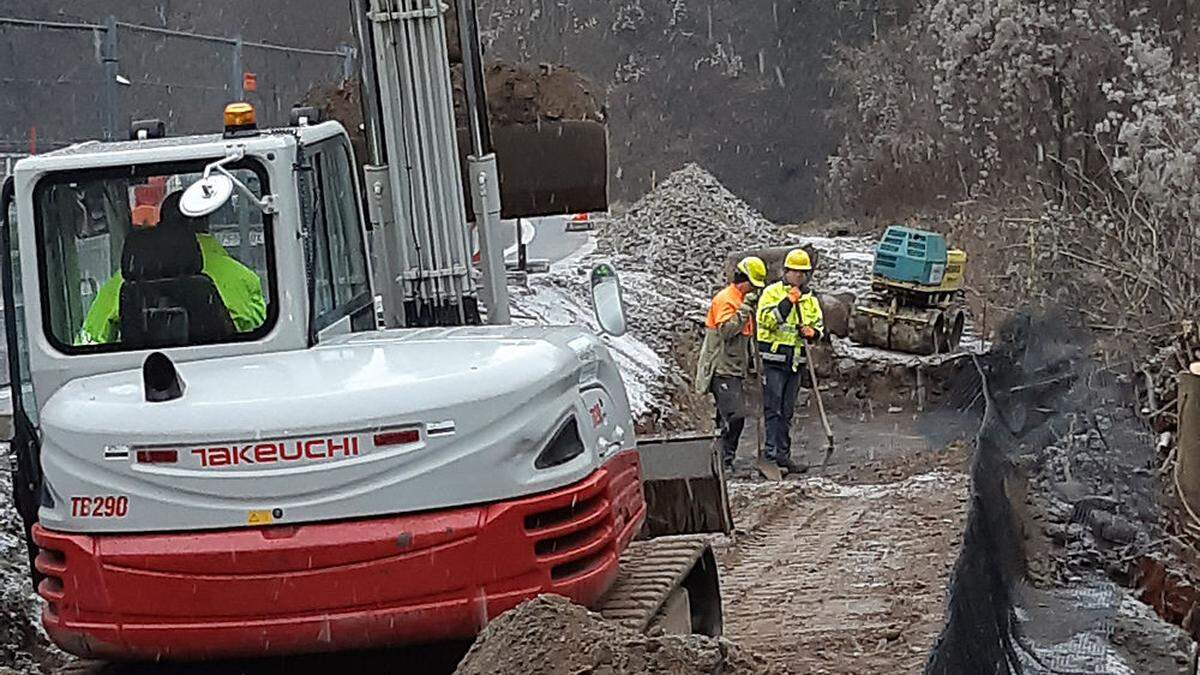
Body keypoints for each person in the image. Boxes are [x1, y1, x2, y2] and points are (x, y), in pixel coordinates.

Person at [78, 191, 266, 345]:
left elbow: (88, 344)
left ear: (162, 227)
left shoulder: (122, 284)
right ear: (205, 223)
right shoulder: (243, 278)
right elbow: (261, 344)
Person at [695, 256, 767, 472]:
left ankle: (720, 460)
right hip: (721, 369)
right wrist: (745, 309)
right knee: (735, 416)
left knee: (725, 417)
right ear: (743, 281)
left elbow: (746, 338)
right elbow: (727, 331)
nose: (755, 291)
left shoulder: (743, 302)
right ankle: (724, 460)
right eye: (753, 286)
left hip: (736, 370)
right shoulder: (726, 299)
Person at [756, 248, 824, 474]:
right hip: (774, 361)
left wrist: (812, 332)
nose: (800, 276)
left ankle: (784, 455)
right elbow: (766, 321)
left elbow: (819, 327)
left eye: (803, 272)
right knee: (772, 409)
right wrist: (787, 303)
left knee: (787, 411)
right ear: (786, 271)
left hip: (795, 362)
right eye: (796, 272)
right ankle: (771, 454)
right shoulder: (772, 293)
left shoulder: (810, 299)